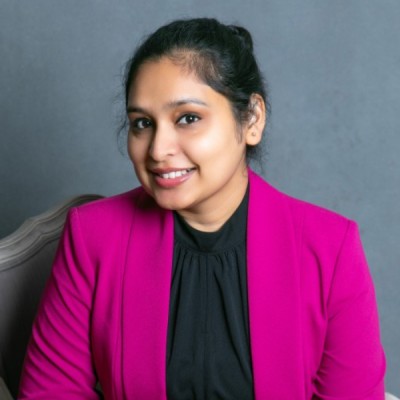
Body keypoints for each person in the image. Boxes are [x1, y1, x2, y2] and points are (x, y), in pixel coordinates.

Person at [19, 18, 385, 399]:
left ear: (252, 119)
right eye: (142, 123)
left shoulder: (330, 248)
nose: (158, 149)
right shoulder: (93, 236)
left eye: (188, 119)